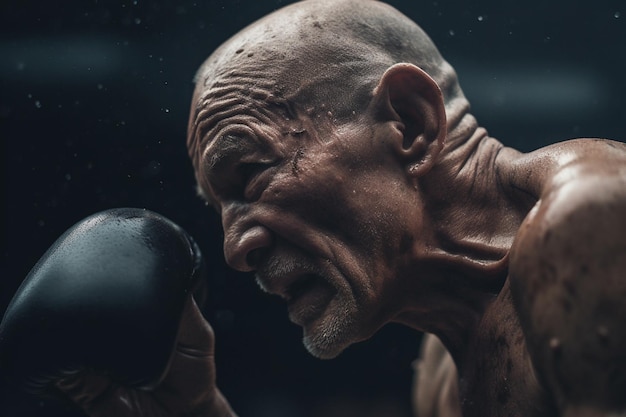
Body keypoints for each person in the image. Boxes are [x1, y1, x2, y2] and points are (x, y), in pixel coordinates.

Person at [14, 0, 626, 416]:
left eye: (251, 172)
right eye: (220, 208)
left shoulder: (590, 221)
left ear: (410, 123)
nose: (235, 248)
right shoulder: (443, 358)